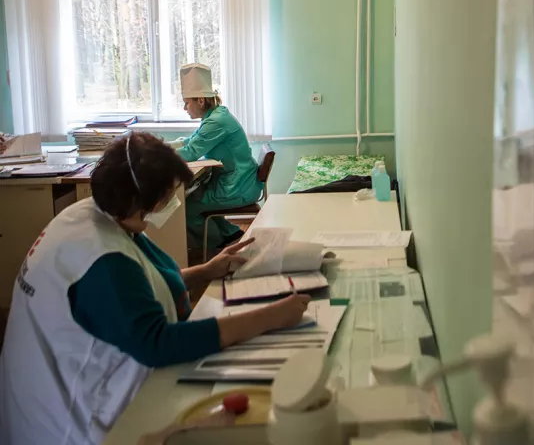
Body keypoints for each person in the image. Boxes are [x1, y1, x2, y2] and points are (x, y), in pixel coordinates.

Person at [0, 132, 309, 444]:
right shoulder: (99, 257)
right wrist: (270, 317)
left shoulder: (94, 216)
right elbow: (157, 343)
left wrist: (206, 271)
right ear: (142, 198)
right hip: (70, 421)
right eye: (167, 193)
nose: (171, 200)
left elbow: (142, 283)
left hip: (60, 385)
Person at [174, 63, 263, 250]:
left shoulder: (216, 121)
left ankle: (215, 248)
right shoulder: (216, 115)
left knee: (188, 208)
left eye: (187, 102)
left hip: (239, 187)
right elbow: (192, 141)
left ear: (200, 100)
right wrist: (164, 146)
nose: (184, 108)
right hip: (241, 181)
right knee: (196, 195)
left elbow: (191, 152)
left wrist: (159, 155)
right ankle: (230, 234)